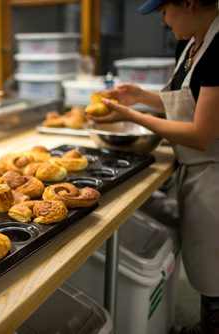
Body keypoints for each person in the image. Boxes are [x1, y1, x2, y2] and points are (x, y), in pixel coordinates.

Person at [88, 0, 219, 333]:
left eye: (163, 12)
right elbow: (190, 99)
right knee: (209, 271)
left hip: (214, 173)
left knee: (217, 274)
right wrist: (140, 96)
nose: (163, 22)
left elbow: (202, 134)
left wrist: (132, 116)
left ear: (188, 4)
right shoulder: (192, 44)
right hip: (197, 170)